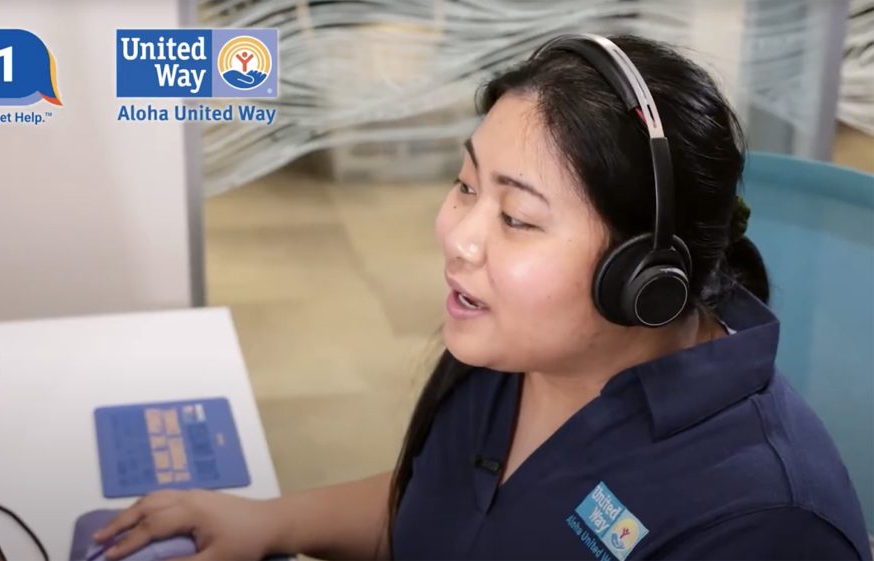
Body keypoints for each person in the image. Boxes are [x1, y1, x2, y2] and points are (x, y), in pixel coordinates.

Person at [92, 34, 872, 560]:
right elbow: (449, 513)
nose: (457, 235)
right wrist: (268, 521)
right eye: (466, 184)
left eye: (517, 218)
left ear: (644, 275)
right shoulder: (516, 345)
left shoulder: (764, 523)